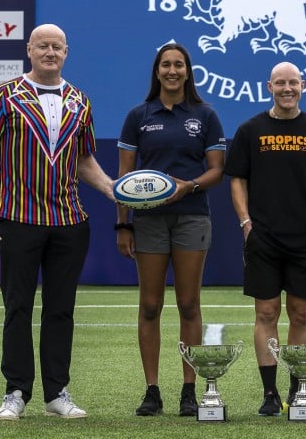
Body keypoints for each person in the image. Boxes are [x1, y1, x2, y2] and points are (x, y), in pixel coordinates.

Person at [0, 23, 115, 421]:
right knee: (17, 307)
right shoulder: (4, 96)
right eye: (43, 46)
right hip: (19, 218)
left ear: (66, 52)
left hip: (70, 220)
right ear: (29, 50)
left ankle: (57, 394)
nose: (50, 52)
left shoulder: (80, 101)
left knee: (61, 309)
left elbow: (84, 160)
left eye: (57, 47)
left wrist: (110, 187)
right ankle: (15, 392)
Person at [115, 43, 226, 417]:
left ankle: (189, 391)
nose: (172, 70)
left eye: (179, 64)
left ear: (188, 71)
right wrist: (122, 224)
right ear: (157, 71)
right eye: (166, 64)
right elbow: (125, 177)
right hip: (148, 220)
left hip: (192, 217)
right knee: (150, 306)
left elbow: (216, 170)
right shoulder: (138, 116)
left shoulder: (205, 115)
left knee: (188, 304)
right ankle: (152, 390)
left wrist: (188, 186)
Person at [223, 61, 306, 416]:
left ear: (302, 85)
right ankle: (270, 394)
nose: (287, 89)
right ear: (269, 87)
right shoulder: (250, 130)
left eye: (293, 83)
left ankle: (298, 390)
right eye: (280, 83)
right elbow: (238, 180)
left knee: (301, 314)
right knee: (266, 312)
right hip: (264, 237)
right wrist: (246, 223)